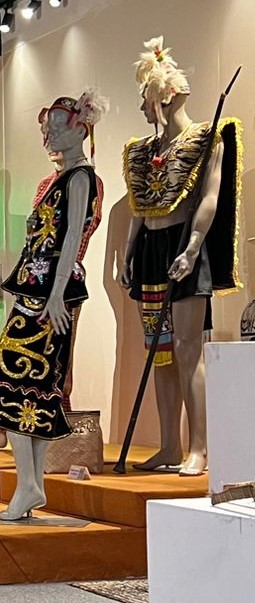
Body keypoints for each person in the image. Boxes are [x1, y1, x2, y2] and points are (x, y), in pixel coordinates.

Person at [119, 36, 242, 476]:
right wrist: (129, 251)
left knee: (189, 348)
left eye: (145, 99)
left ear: (165, 97)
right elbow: (139, 204)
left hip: (184, 245)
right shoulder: (143, 151)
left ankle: (199, 447)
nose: (142, 108)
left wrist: (192, 247)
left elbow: (209, 199)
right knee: (160, 350)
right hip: (151, 250)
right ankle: (169, 444)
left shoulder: (207, 140)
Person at [0, 91, 106, 521]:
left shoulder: (80, 178)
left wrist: (55, 295)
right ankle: (30, 484)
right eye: (47, 127)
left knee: (10, 378)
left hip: (50, 294)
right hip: (38, 291)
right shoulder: (62, 178)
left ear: (81, 129)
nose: (49, 134)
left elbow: (72, 236)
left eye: (57, 126)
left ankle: (29, 484)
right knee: (30, 386)